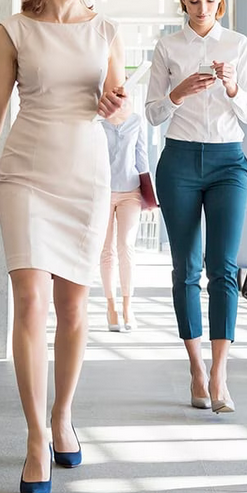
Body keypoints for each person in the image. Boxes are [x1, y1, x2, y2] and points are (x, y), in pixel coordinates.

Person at [0, 0, 129, 493]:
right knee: (29, 300)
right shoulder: (14, 31)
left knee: (73, 306)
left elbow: (121, 110)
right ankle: (36, 438)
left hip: (85, 178)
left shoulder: (105, 30)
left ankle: (63, 417)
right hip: (25, 175)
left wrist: (113, 104)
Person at [145, 0, 247, 414]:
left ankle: (220, 373)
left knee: (223, 268)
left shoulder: (237, 44)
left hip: (228, 161)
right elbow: (153, 112)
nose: (201, 9)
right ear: (183, 1)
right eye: (193, 2)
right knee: (185, 269)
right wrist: (180, 92)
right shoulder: (168, 47)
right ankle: (195, 367)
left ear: (221, 0)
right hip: (178, 161)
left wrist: (232, 87)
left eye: (210, 1)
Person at [100, 99, 149, 333]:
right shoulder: (97, 122)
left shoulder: (137, 121)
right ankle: (111, 307)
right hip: (102, 192)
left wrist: (149, 193)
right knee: (106, 250)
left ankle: (128, 306)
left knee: (126, 246)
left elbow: (142, 157)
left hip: (131, 191)